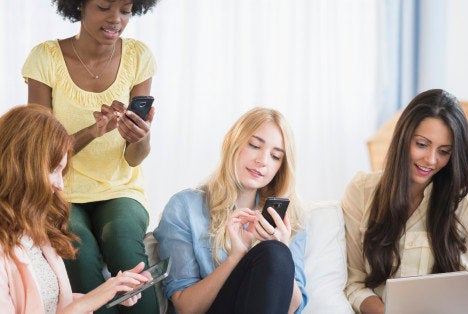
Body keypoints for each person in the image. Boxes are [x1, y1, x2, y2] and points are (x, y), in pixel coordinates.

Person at [21, 1, 160, 313]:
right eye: (103, 7)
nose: (116, 20)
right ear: (79, 5)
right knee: (77, 254)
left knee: (125, 247)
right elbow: (37, 154)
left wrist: (141, 136)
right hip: (59, 190)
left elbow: (135, 158)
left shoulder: (138, 56)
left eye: (125, 10)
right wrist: (93, 131)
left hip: (120, 189)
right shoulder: (45, 59)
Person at [342, 89, 468, 314]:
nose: (430, 160)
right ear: (403, 139)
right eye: (421, 144)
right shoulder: (361, 191)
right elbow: (354, 283)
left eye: (444, 151)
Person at [154, 107, 308, 313]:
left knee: (275, 252)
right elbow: (186, 307)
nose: (262, 160)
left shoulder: (288, 219)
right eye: (254, 145)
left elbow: (291, 308)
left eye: (275, 156)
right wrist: (236, 256)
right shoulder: (184, 207)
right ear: (233, 143)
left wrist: (282, 249)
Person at [0, 104, 151, 314]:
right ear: (22, 168)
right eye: (54, 170)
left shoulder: (34, 231)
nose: (60, 185)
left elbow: (49, 303)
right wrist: (89, 302)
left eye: (62, 171)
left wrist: (110, 293)